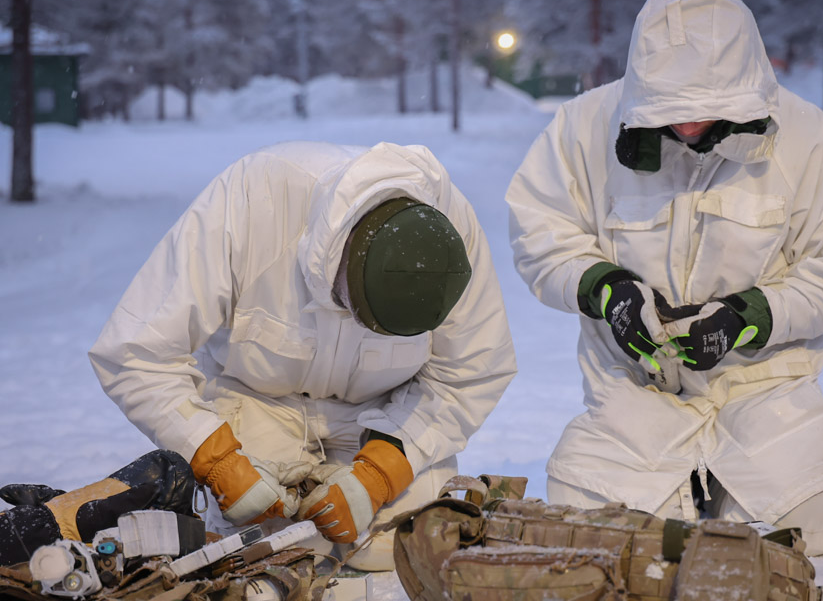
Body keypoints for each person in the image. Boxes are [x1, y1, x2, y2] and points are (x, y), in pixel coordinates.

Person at [505, 0, 823, 555]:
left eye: (706, 110)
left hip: (763, 388)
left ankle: (731, 488)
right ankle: (676, 488)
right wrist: (606, 289)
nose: (690, 126)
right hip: (634, 392)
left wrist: (750, 317)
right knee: (589, 531)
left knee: (804, 532)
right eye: (672, 112)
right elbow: (539, 237)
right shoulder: (582, 129)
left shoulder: (812, 142)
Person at [90, 141, 517, 570]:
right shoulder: (251, 200)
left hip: (383, 413)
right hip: (257, 404)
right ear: (339, 267)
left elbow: (469, 372)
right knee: (272, 552)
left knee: (407, 547)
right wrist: (217, 460)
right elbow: (134, 352)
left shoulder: (448, 234)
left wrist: (382, 472)